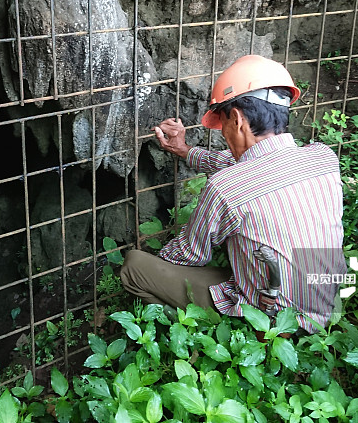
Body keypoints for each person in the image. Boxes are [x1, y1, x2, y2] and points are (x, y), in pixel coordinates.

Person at [120, 55, 345, 334]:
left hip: (277, 322)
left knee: (135, 267)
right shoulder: (323, 158)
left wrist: (158, 257)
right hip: (324, 305)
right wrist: (183, 149)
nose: (223, 131)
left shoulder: (225, 187)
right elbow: (245, 165)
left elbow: (190, 255)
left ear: (236, 119)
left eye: (223, 122)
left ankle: (202, 332)